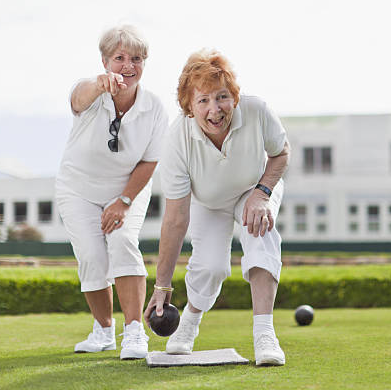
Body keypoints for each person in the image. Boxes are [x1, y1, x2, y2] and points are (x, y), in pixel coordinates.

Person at [144, 49, 290, 366]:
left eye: (222, 97)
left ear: (234, 97)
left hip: (255, 189)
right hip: (209, 202)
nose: (215, 110)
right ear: (189, 107)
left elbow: (281, 153)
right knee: (210, 266)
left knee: (258, 232)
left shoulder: (256, 109)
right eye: (203, 101)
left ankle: (265, 334)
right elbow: (175, 219)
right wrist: (162, 285)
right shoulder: (176, 140)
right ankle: (190, 323)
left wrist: (263, 192)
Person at [55, 25, 167, 360]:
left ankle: (134, 332)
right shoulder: (88, 91)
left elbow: (150, 161)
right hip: (77, 188)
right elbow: (78, 98)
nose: (127, 65)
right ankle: (103, 331)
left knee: (121, 242)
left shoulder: (155, 108)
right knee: (91, 255)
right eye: (119, 58)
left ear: (144, 64)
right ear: (105, 61)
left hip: (127, 189)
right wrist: (98, 85)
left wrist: (123, 201)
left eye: (135, 58)